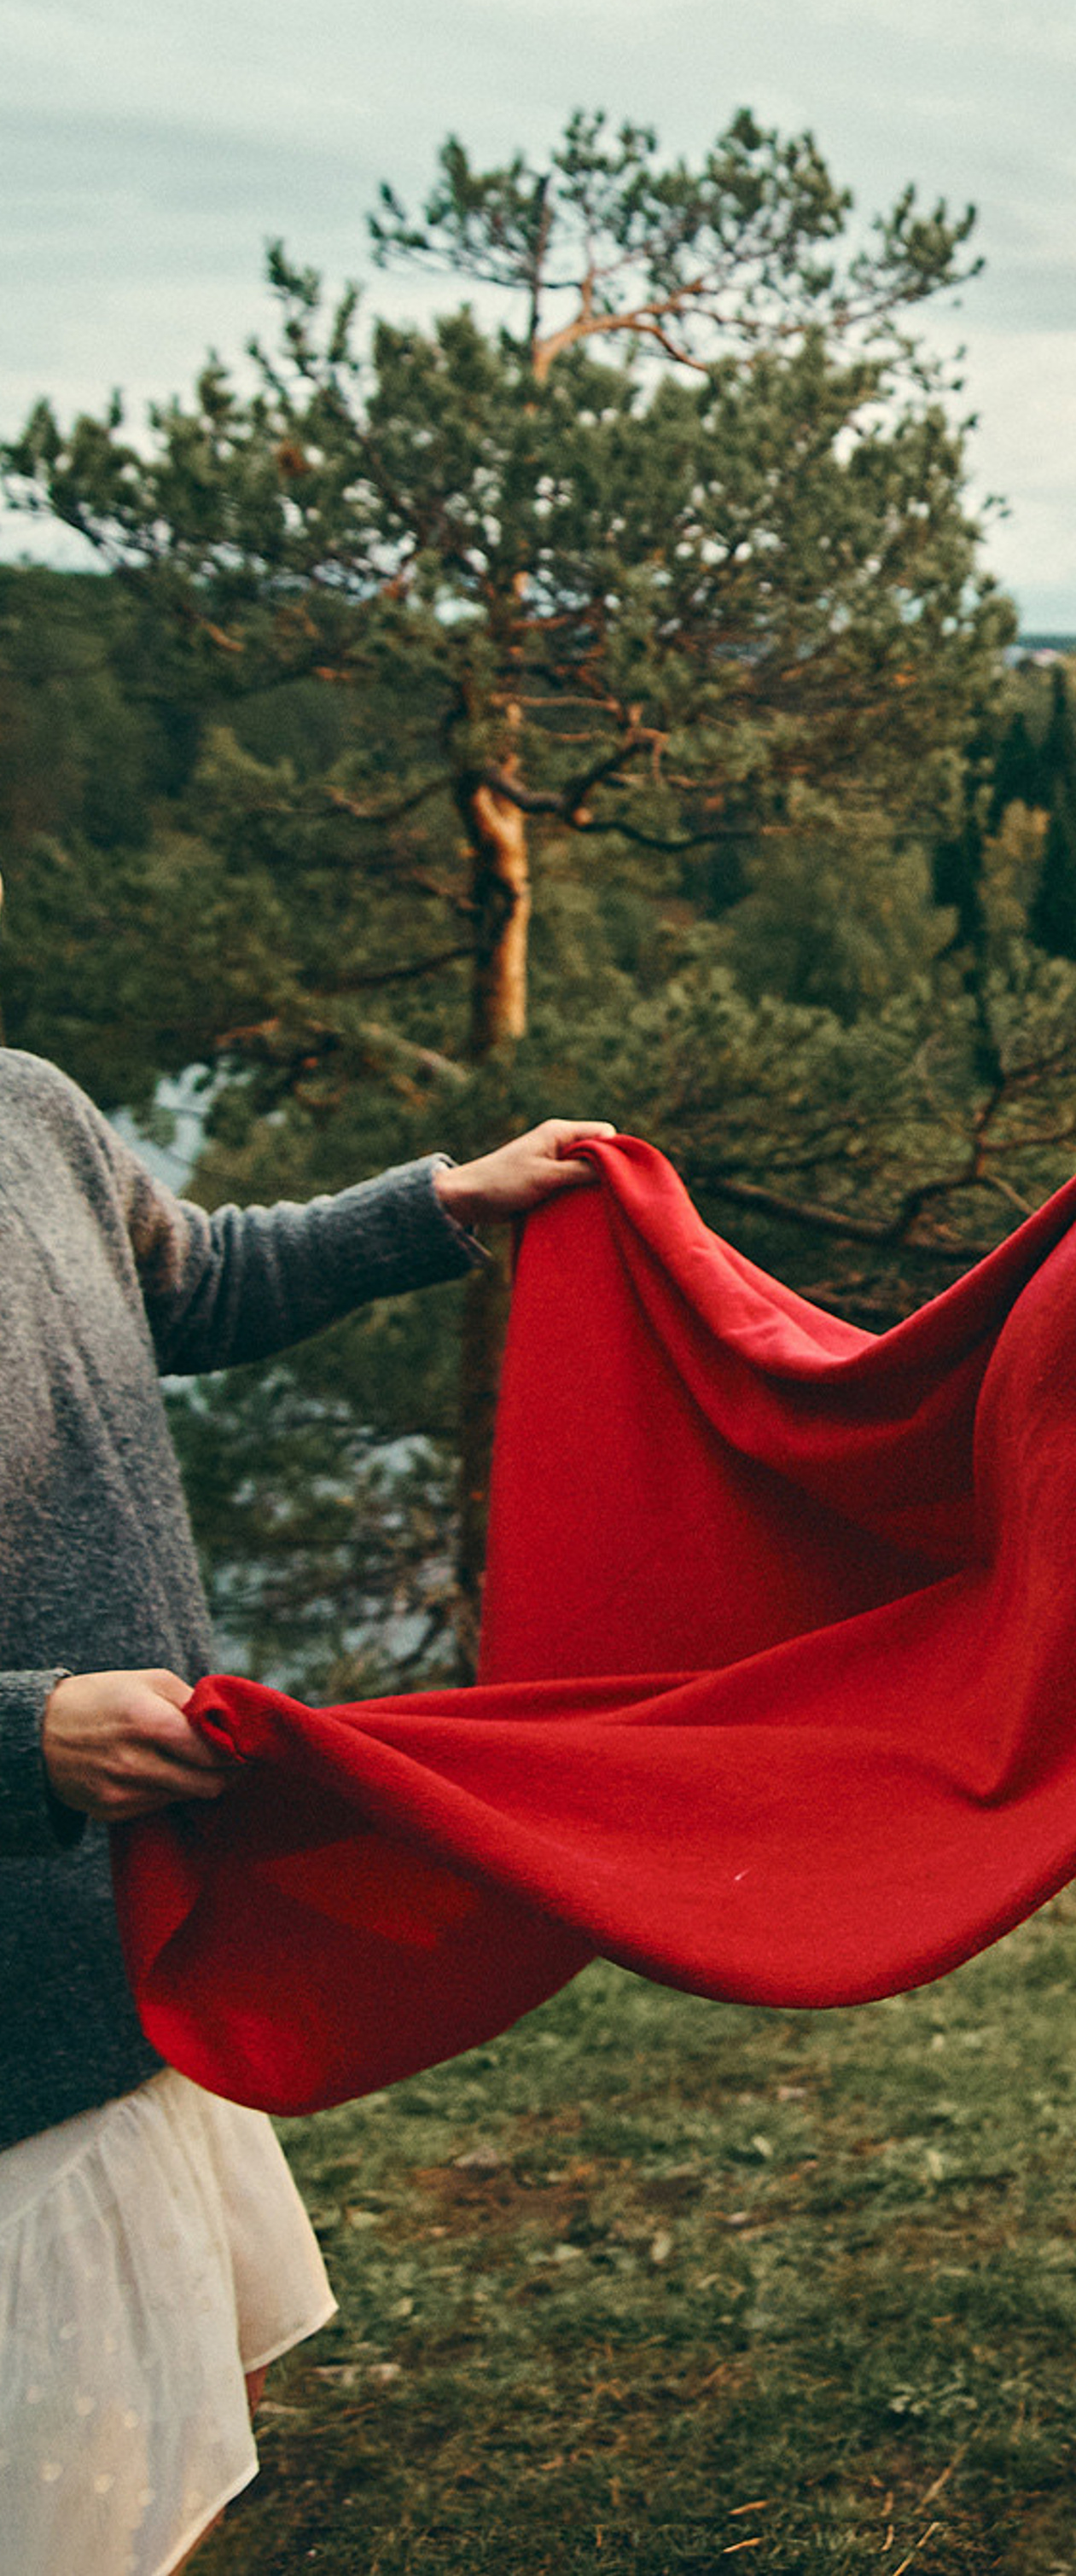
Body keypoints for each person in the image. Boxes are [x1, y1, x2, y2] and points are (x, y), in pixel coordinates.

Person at [0, 1073, 615, 2576]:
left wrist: (440, 1206)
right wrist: (23, 1732)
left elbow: (191, 1282)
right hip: (16, 2033)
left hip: (136, 1931)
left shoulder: (24, 1104)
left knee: (173, 2449)